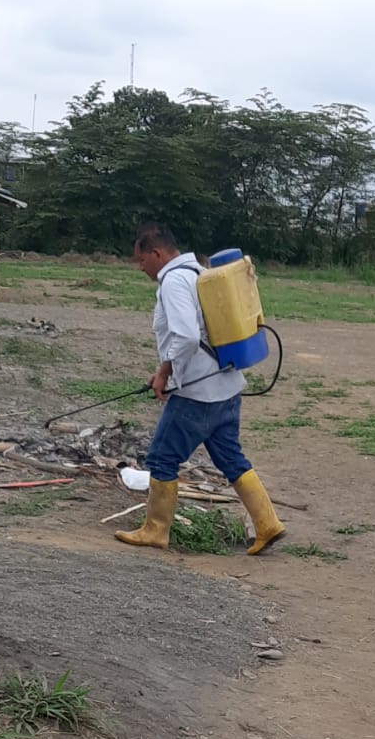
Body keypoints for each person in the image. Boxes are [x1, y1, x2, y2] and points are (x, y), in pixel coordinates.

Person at [115, 223, 285, 555]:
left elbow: (188, 337)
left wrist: (164, 371)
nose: (140, 267)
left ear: (156, 253)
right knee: (231, 458)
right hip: (227, 387)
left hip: (197, 395)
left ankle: (155, 530)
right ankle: (267, 523)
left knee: (162, 458)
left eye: (141, 260)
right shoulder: (201, 272)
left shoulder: (173, 281)